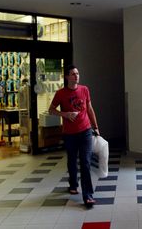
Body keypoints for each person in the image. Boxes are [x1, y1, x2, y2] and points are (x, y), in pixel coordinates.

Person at [49, 64, 100, 208]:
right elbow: (51, 110)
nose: (76, 76)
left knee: (85, 162)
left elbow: (90, 109)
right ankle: (73, 183)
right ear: (66, 77)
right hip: (69, 134)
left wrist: (96, 127)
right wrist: (64, 114)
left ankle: (88, 196)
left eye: (77, 73)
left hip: (85, 131)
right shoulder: (60, 93)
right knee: (72, 161)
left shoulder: (84, 89)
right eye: (73, 74)